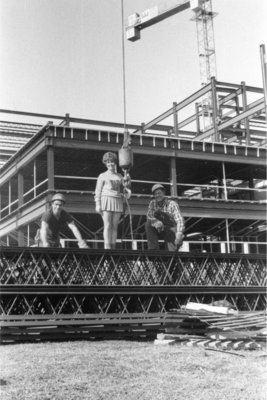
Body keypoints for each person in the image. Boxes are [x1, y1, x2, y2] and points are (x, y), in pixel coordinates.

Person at [95, 152, 131, 249]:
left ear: (115, 163)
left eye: (112, 162)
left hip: (117, 201)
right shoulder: (102, 176)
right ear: (106, 164)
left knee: (114, 226)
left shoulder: (119, 176)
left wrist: (128, 181)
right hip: (106, 200)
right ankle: (107, 248)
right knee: (107, 225)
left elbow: (125, 189)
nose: (110, 164)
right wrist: (98, 204)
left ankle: (113, 247)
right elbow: (98, 191)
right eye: (108, 162)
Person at [145, 184, 184, 251]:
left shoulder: (172, 204)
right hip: (159, 228)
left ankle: (172, 253)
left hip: (171, 229)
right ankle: (153, 249)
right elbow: (149, 215)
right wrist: (156, 221)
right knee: (148, 224)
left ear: (164, 193)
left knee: (172, 252)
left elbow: (179, 220)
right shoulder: (152, 203)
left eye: (159, 193)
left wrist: (179, 233)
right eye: (155, 194)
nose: (157, 195)